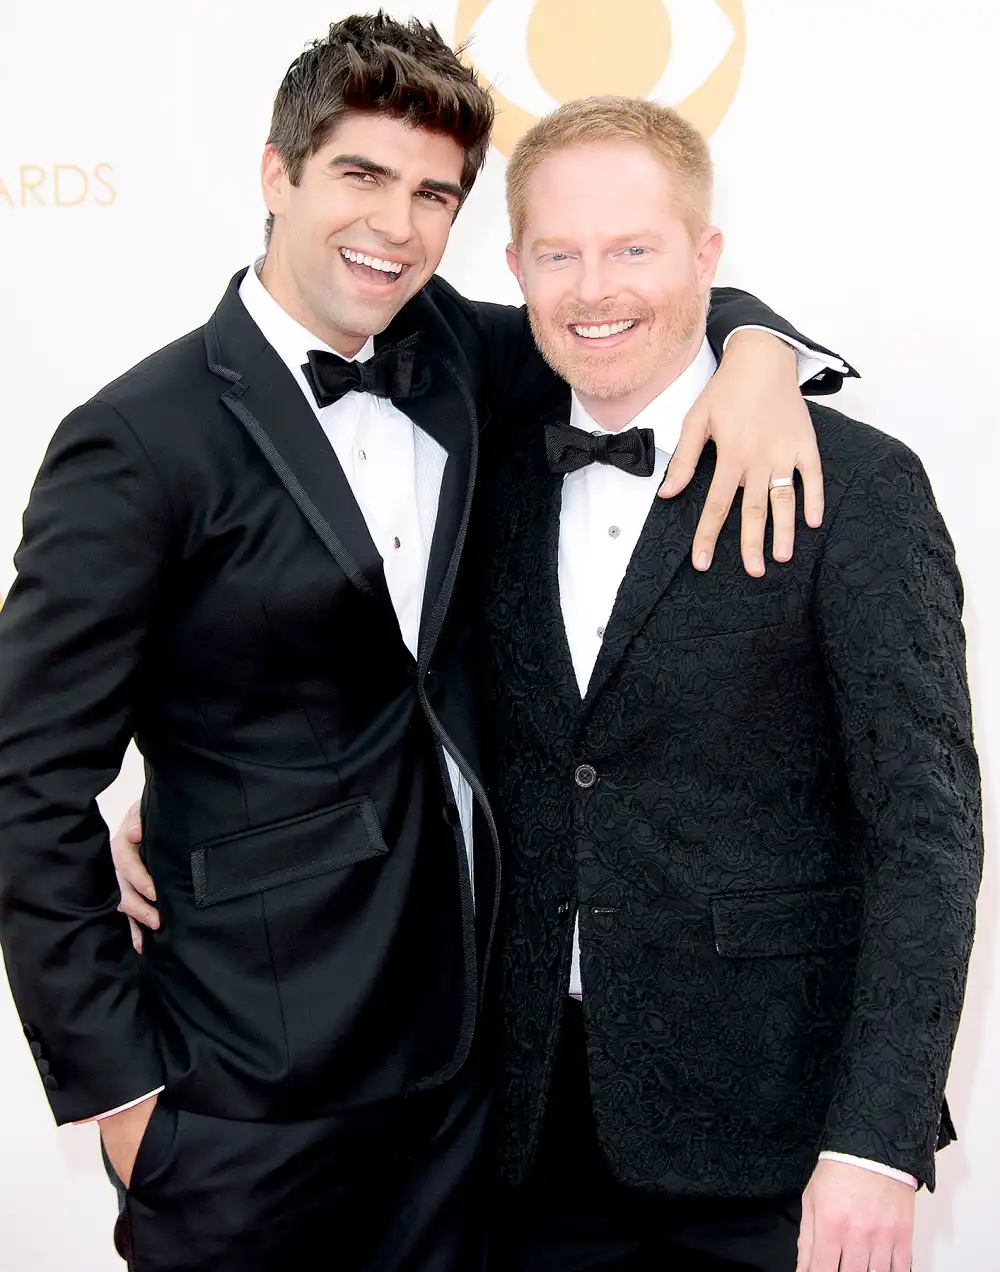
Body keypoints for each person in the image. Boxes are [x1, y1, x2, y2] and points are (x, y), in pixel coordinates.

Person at [0, 15, 849, 1272]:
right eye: (360, 175)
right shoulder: (137, 440)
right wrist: (123, 1102)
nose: (395, 226)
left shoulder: (455, 353)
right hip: (241, 1097)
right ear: (277, 172)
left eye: (432, 194)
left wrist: (763, 354)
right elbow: (25, 782)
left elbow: (630, 305)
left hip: (465, 1089)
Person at [471, 96, 983, 1272]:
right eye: (560, 254)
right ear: (515, 268)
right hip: (522, 1139)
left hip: (779, 1147)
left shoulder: (854, 485)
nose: (594, 289)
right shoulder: (484, 470)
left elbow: (928, 832)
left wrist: (875, 1142)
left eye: (633, 249)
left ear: (706, 257)